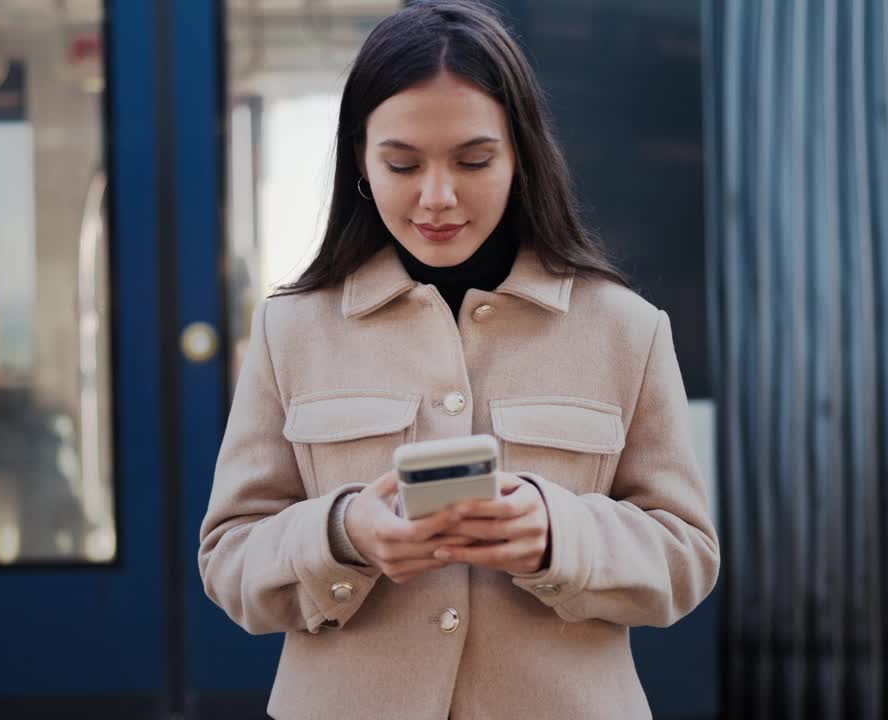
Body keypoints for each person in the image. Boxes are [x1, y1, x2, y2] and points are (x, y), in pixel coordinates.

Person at [198, 2, 719, 717]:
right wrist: (342, 535)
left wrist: (556, 535)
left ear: (519, 155)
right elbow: (228, 557)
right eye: (402, 163)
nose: (436, 197)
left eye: (474, 160)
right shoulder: (290, 330)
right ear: (360, 159)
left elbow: (686, 556)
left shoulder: (625, 330)